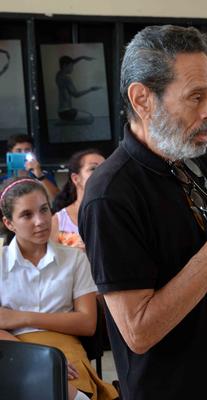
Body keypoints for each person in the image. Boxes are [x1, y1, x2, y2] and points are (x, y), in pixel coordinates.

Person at [79, 25, 207, 399]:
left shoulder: (204, 162)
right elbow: (138, 332)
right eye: (195, 97)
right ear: (142, 99)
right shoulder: (111, 195)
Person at [0, 177, 118, 400]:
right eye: (27, 215)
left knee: (62, 389)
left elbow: (87, 323)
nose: (40, 221)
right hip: (11, 352)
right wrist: (37, 358)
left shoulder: (74, 259)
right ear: (9, 223)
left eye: (44, 210)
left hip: (66, 354)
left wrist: (21, 318)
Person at [50, 149, 105, 249]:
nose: (102, 173)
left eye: (105, 168)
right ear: (76, 179)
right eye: (93, 168)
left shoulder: (115, 213)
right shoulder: (58, 221)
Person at [2, 134, 60, 200]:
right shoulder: (3, 180)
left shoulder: (44, 175)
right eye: (18, 151)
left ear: (33, 152)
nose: (23, 154)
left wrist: (40, 176)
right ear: (10, 153)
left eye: (27, 150)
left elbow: (58, 199)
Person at [56, 56, 101, 124]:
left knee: (84, 116)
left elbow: (72, 62)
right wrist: (91, 89)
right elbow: (76, 95)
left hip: (61, 112)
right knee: (90, 118)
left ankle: (66, 121)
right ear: (65, 65)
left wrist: (82, 58)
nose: (72, 68)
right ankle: (66, 122)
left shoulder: (58, 75)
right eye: (71, 66)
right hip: (67, 112)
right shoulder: (66, 79)